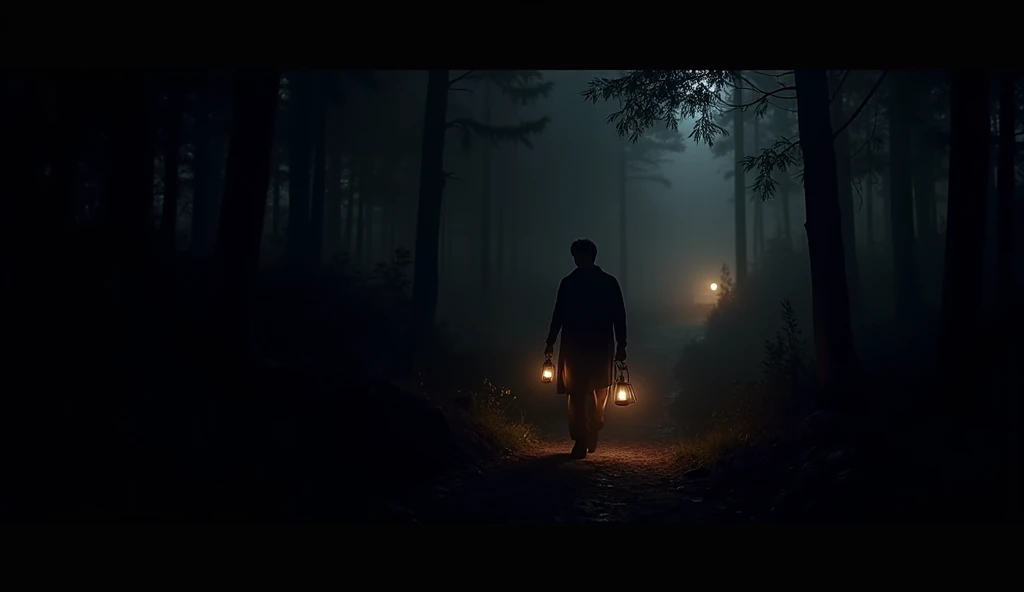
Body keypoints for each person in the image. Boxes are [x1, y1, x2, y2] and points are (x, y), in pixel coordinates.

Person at [544, 238, 627, 459]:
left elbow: (619, 315)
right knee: (579, 392)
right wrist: (550, 341)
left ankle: (594, 424)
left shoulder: (592, 283)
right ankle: (581, 438)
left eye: (580, 255)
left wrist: (622, 344)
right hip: (581, 344)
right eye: (575, 255)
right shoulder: (574, 283)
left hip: (591, 344)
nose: (577, 259)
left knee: (594, 390)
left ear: (590, 255)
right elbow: (558, 313)